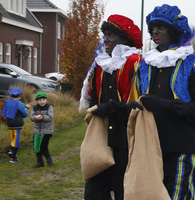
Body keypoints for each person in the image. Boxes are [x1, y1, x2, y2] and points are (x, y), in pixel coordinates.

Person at [136, 4, 195, 199]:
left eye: (161, 27)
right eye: (153, 27)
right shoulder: (145, 65)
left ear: (173, 30)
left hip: (181, 147)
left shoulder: (194, 64)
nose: (156, 31)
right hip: (151, 147)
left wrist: (163, 104)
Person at [79, 14, 143, 200]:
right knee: (94, 191)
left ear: (124, 38)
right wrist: (95, 107)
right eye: (105, 34)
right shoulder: (101, 63)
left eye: (111, 35)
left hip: (126, 138)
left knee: (124, 190)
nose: (106, 39)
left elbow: (139, 103)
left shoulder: (134, 62)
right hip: (102, 137)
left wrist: (112, 108)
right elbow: (93, 95)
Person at [2, 87, 31, 163]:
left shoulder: (7, 102)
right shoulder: (19, 103)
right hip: (17, 124)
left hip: (9, 124)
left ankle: (11, 150)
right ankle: (13, 157)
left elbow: (6, 112)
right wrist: (27, 108)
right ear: (20, 95)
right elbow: (24, 114)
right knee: (16, 140)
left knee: (12, 139)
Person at [29, 92, 54, 168]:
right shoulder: (34, 108)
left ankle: (49, 160)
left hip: (46, 131)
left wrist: (42, 117)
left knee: (43, 147)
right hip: (37, 131)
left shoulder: (49, 107)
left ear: (46, 100)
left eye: (43, 100)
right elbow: (31, 117)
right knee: (36, 147)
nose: (42, 101)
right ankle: (40, 162)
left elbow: (50, 117)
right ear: (37, 101)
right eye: (40, 100)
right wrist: (35, 118)